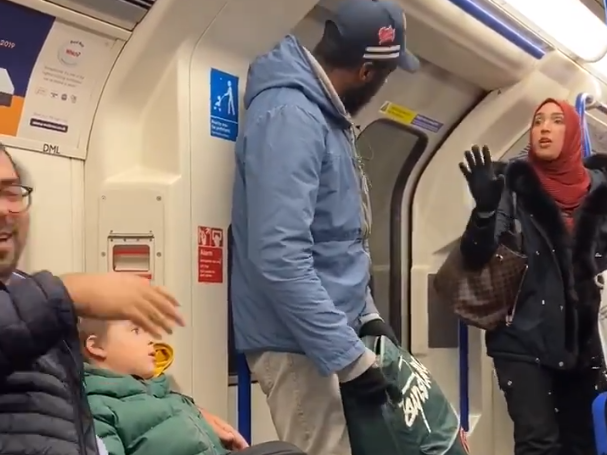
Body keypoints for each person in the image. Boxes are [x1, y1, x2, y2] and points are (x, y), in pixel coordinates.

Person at [229, 0, 419, 454]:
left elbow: (339, 239)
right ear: (368, 73)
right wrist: (349, 357)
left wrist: (369, 316)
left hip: (328, 333)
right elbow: (280, 256)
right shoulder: (290, 117)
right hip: (296, 343)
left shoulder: (325, 117)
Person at [0, 142, 184, 455]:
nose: (5, 210)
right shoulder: (47, 303)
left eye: (12, 192)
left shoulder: (33, 303)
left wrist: (188, 416)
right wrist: (69, 292)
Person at [458, 99, 607, 455]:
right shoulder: (512, 185)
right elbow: (475, 254)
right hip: (522, 335)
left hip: (581, 340)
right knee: (538, 444)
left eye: (556, 121)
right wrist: (484, 210)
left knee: (582, 442)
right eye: (538, 121)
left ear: (571, 133)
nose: (544, 128)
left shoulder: (599, 193)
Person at [79, 318, 307, 455]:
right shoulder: (97, 407)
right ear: (96, 346)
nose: (151, 339)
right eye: (136, 330)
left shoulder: (158, 391)